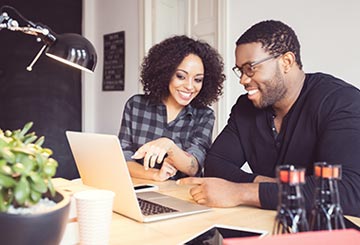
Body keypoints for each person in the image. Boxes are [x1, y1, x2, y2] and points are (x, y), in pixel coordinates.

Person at [177, 20, 360, 217]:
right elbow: (216, 165)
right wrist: (275, 186)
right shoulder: (245, 108)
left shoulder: (341, 102)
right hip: (269, 223)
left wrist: (241, 192)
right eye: (240, 70)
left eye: (251, 68)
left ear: (286, 62)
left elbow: (348, 191)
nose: (243, 80)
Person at [119, 35, 225, 181]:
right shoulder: (136, 105)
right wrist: (155, 175)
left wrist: (169, 146)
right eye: (181, 76)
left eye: (198, 79)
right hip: (139, 189)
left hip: (181, 195)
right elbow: (124, 158)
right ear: (166, 73)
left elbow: (194, 166)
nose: (189, 86)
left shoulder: (204, 115)